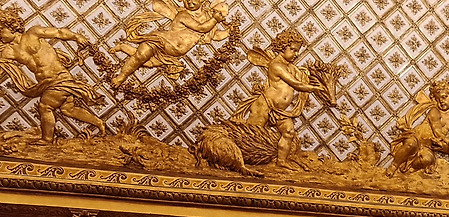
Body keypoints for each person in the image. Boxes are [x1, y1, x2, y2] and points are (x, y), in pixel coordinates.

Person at [0, 5, 106, 144]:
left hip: (59, 77)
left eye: (0, 30)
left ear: (12, 26)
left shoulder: (33, 33)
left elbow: (59, 33)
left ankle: (47, 139)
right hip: (46, 83)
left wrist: (76, 36)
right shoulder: (9, 51)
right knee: (68, 110)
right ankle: (99, 123)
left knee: (45, 106)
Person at [238, 30, 328, 167]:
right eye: (293, 50)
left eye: (297, 51)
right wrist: (314, 88)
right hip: (265, 106)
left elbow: (300, 78)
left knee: (288, 132)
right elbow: (296, 84)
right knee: (252, 134)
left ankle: (281, 161)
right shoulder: (276, 65)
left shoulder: (290, 67)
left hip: (280, 111)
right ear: (282, 47)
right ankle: (239, 159)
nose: (296, 54)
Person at [111, 0, 228, 87]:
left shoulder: (207, 20)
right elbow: (201, 28)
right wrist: (215, 19)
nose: (189, 2)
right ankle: (122, 76)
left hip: (171, 53)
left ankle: (123, 47)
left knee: (148, 63)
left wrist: (228, 32)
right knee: (141, 56)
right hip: (161, 41)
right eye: (186, 0)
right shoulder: (184, 15)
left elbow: (215, 36)